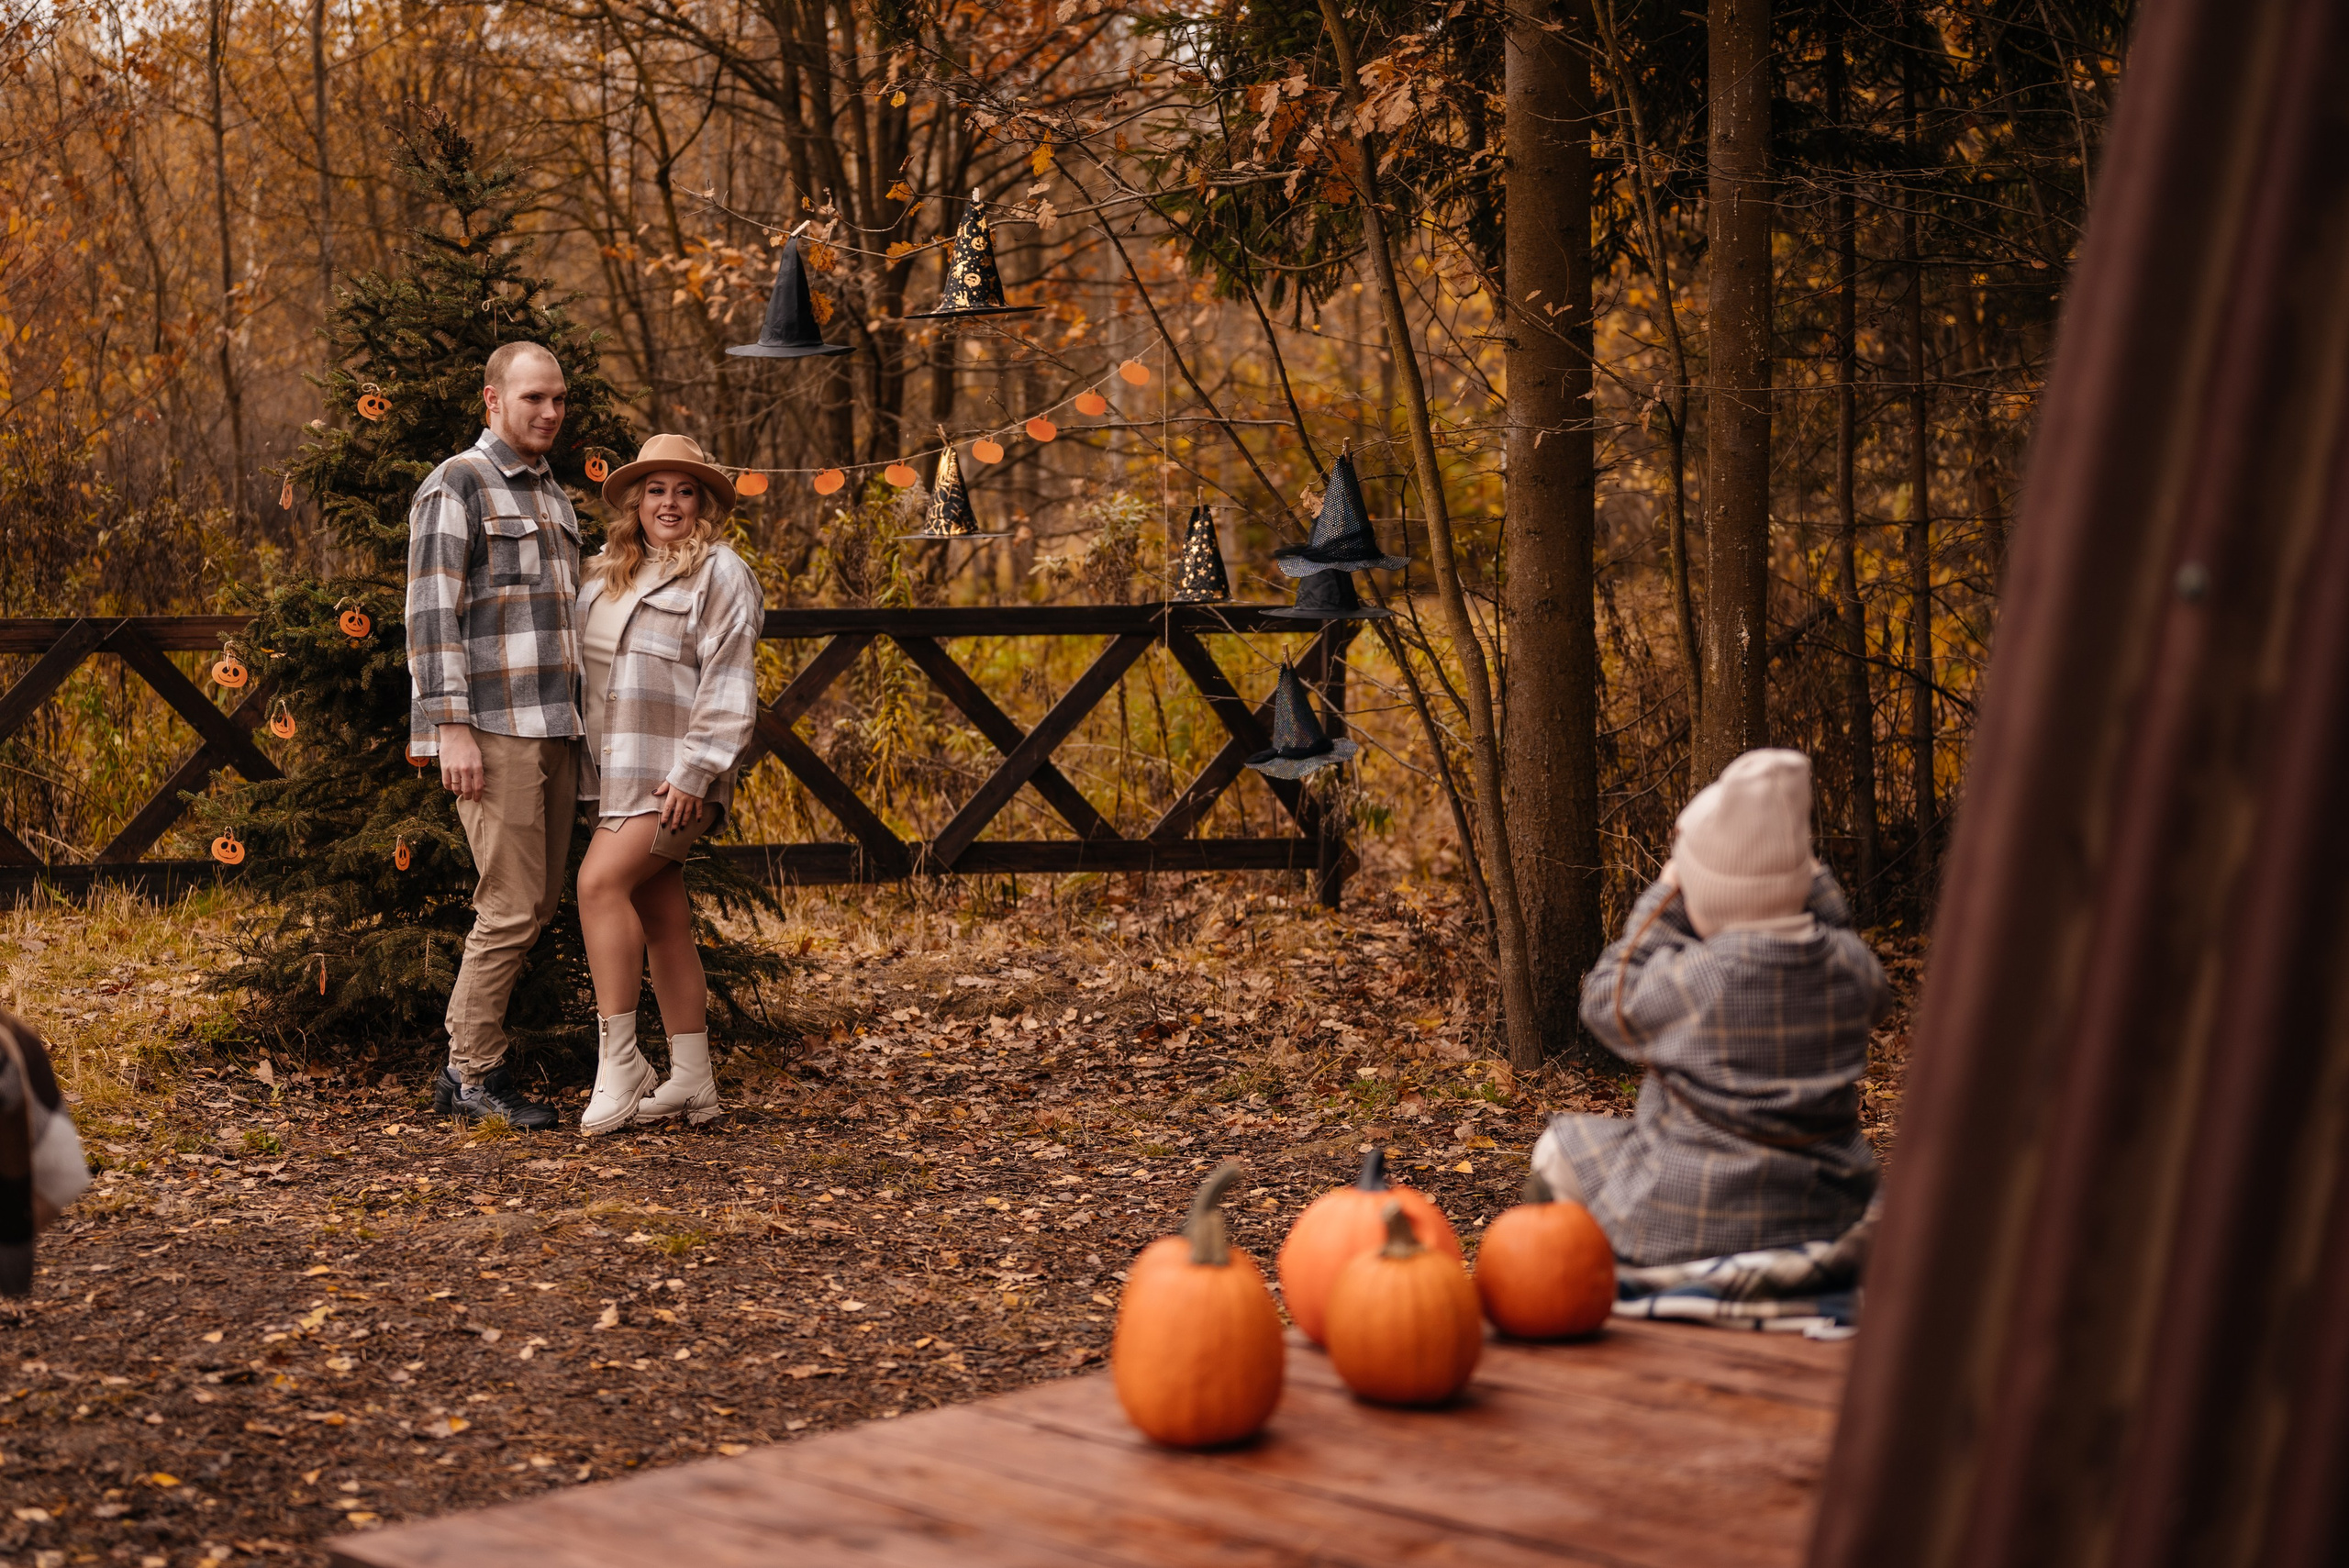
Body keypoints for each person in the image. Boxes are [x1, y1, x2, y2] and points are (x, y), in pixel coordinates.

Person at [1532, 749, 1890, 1266]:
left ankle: (1573, 1278)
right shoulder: (1850, 966)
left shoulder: (1700, 978)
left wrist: (1663, 902)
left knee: (1558, 1150)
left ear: (1699, 894)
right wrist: (1806, 881)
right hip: (1825, 1205)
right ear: (1803, 884)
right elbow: (1850, 952)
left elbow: (1604, 999)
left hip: (1689, 1208)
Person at [406, 340, 583, 1129]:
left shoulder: (557, 498)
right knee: (510, 906)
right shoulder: (458, 484)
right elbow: (428, 615)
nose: (548, 412)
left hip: (557, 727)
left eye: (558, 400)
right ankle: (474, 1073)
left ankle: (462, 1068)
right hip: (493, 727)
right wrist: (452, 728)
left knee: (537, 905)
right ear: (492, 399)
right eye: (532, 398)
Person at [574, 434, 763, 1135]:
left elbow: (731, 679)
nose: (670, 503)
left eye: (685, 491)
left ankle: (620, 1064)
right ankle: (693, 1078)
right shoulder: (604, 575)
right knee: (661, 911)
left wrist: (697, 770)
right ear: (635, 500)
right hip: (612, 775)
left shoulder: (720, 573)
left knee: (598, 886)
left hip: (673, 781)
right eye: (657, 490)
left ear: (704, 503)